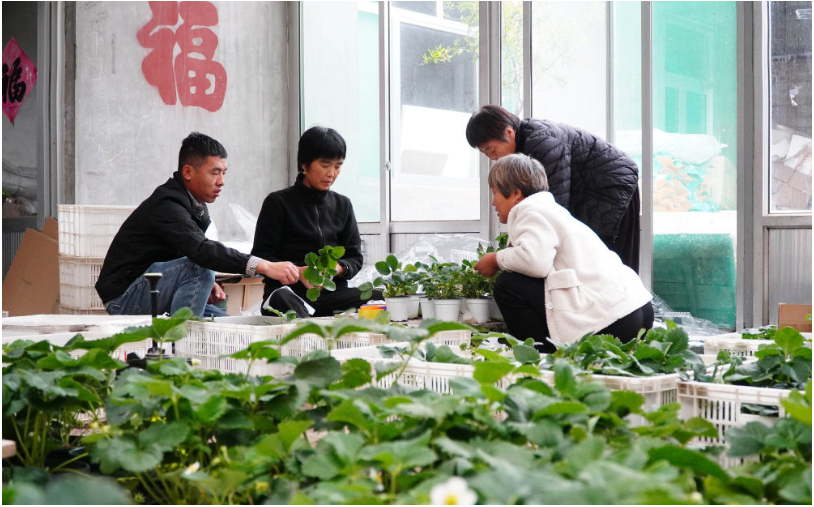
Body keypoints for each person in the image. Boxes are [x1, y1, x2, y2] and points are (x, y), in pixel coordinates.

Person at [95, 132, 299, 317]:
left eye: (224, 173)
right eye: (215, 172)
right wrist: (264, 266)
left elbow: (187, 251)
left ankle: (188, 342)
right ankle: (182, 348)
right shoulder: (167, 204)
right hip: (125, 298)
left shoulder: (196, 204)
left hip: (152, 288)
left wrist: (207, 285)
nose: (221, 182)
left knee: (225, 327)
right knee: (200, 268)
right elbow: (200, 251)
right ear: (188, 172)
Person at [474, 153, 653, 352]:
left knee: (508, 285)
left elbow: (535, 262)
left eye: (495, 193)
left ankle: (540, 358)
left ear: (516, 194)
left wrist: (496, 258)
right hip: (635, 307)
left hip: (612, 319)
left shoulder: (531, 211)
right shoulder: (551, 210)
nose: (493, 202)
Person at [466, 104, 641, 273]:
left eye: (491, 149)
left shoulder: (543, 142)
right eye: (485, 153)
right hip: (591, 191)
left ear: (509, 133)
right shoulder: (525, 148)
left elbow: (552, 205)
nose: (492, 157)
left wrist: (508, 255)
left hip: (612, 187)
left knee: (610, 261)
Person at [252, 126, 380, 317]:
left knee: (378, 296)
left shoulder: (343, 205)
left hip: (332, 294)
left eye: (338, 166)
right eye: (325, 165)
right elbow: (261, 256)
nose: (332, 173)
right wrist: (299, 272)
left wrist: (337, 269)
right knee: (281, 298)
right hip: (290, 293)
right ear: (305, 163)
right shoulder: (278, 203)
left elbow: (355, 257)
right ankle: (310, 336)